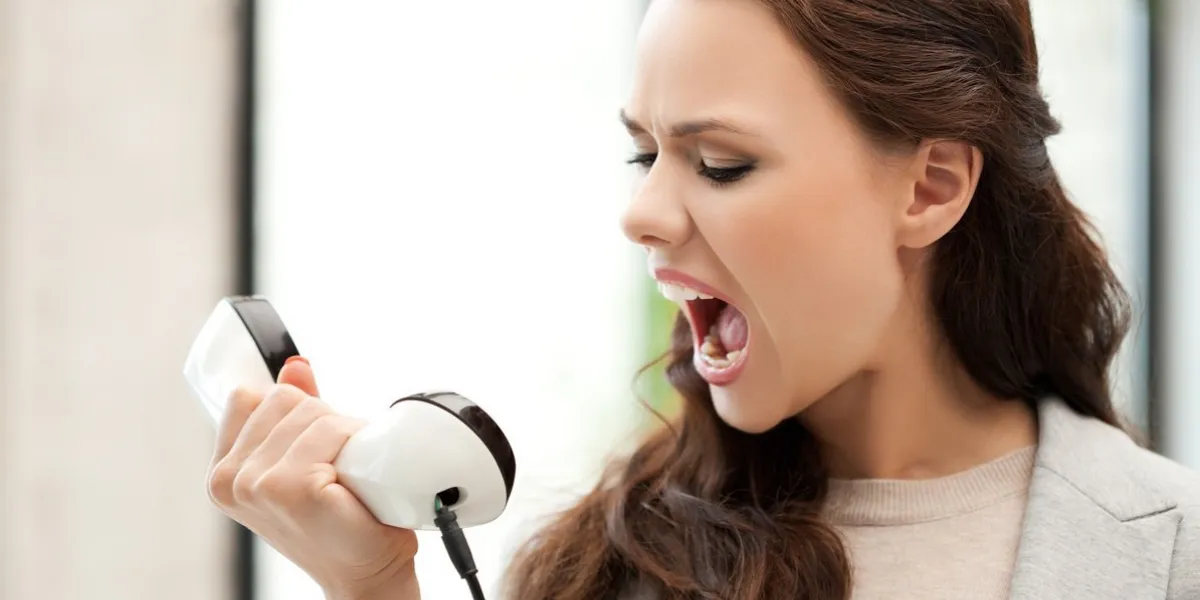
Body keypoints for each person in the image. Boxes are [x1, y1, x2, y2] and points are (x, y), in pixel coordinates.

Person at [205, 0, 1200, 598]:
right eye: (645, 152)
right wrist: (368, 587)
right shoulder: (597, 568)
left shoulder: (1173, 556)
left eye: (718, 162)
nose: (641, 212)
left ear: (930, 186)